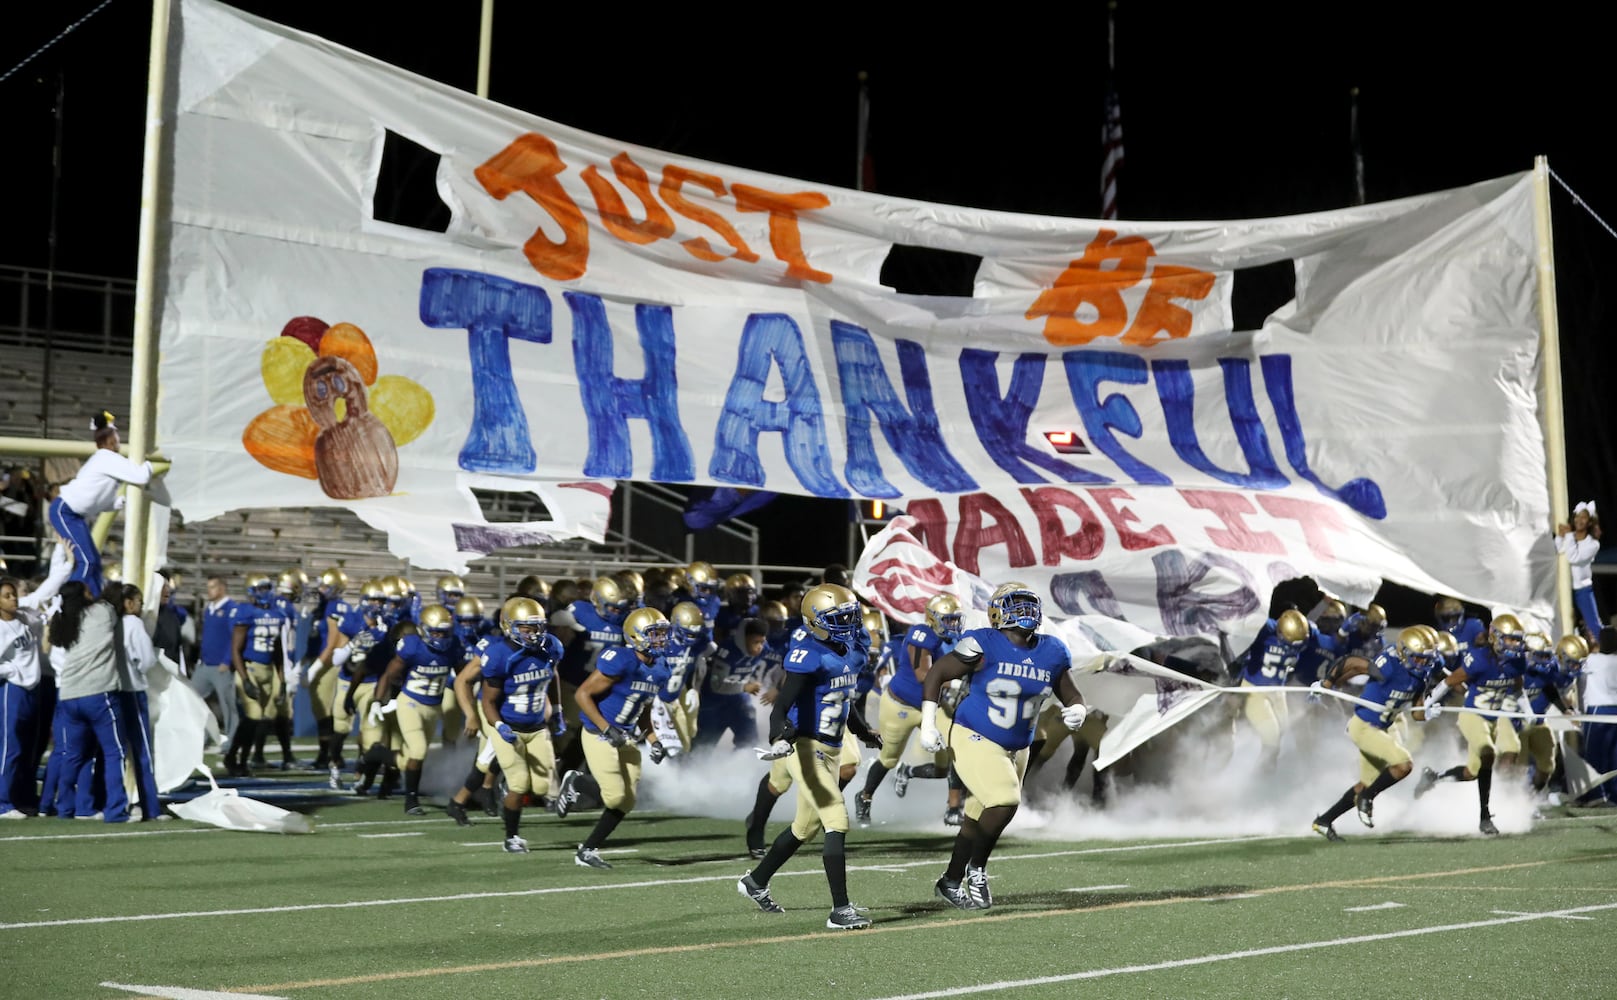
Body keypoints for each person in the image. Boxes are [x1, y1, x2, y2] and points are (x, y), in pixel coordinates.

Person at [918, 582, 1085, 911]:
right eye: (1015, 604)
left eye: (1028, 603)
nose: (1024, 611)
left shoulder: (1052, 650)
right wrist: (927, 722)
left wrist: (1079, 708)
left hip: (1017, 745)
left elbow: (1070, 693)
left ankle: (949, 882)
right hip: (973, 734)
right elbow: (936, 673)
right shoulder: (984, 643)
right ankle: (976, 870)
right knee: (1006, 800)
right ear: (997, 612)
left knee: (978, 814)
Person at [736, 583, 880, 930]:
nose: (848, 623)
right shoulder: (808, 654)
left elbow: (845, 701)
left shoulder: (852, 651)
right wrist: (779, 737)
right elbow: (782, 705)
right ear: (815, 620)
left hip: (831, 748)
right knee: (836, 820)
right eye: (838, 617)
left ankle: (754, 882)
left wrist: (863, 732)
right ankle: (840, 911)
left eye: (850, 615)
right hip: (805, 748)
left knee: (805, 827)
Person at [560, 607, 674, 870]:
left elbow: (644, 708)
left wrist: (654, 740)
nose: (660, 640)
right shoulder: (620, 659)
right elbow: (582, 696)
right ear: (635, 636)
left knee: (627, 801)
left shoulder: (660, 668)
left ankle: (587, 850)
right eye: (654, 634)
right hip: (600, 733)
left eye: (662, 634)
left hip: (626, 735)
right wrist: (605, 728)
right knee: (613, 797)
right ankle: (578, 782)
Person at [1309, 626, 1438, 840]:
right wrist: (1327, 683)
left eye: (1427, 659)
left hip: (1383, 727)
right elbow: (1350, 662)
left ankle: (1323, 821)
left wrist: (1428, 712)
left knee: (1365, 784)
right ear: (1403, 652)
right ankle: (1367, 798)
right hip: (1364, 726)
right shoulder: (1388, 665)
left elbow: (1417, 714)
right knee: (1403, 764)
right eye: (1418, 658)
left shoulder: (1421, 675)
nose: (1423, 664)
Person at [1413, 613, 1528, 834]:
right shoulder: (1480, 658)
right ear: (1495, 638)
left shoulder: (1517, 661)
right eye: (1510, 639)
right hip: (1472, 715)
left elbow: (1517, 687)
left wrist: (1528, 710)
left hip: (1495, 717)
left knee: (1473, 771)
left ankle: (1434, 777)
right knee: (1487, 752)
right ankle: (1485, 817)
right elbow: (1449, 682)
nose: (1515, 644)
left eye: (1517, 639)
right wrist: (1427, 703)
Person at [857, 593, 965, 826]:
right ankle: (864, 796)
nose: (953, 625)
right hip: (901, 705)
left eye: (955, 619)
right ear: (933, 618)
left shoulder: (955, 639)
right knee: (888, 758)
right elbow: (924, 675)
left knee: (953, 753)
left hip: (933, 704)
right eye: (948, 620)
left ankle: (953, 808)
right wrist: (957, 682)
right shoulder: (921, 634)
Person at [472, 597, 565, 850]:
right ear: (508, 626)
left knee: (544, 786)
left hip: (537, 729)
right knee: (519, 784)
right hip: (509, 727)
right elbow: (488, 701)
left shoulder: (551, 647)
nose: (534, 633)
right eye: (526, 627)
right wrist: (499, 727)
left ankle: (512, 801)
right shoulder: (498, 654)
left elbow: (552, 674)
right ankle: (511, 837)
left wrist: (556, 710)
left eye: (537, 627)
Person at [373, 604, 470, 815]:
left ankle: (379, 754)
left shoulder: (453, 645)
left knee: (414, 756)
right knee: (418, 750)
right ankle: (411, 801)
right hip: (410, 703)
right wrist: (377, 701)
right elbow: (390, 674)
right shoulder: (412, 645)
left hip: (433, 707)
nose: (439, 637)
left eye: (443, 632)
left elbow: (463, 678)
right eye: (435, 631)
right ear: (423, 629)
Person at [47, 412, 155, 597]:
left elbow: (97, 500)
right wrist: (153, 461)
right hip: (64, 510)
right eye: (117, 436)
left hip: (74, 513)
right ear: (112, 439)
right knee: (87, 562)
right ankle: (68, 601)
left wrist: (118, 502)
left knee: (94, 561)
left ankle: (96, 600)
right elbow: (141, 475)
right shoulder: (105, 457)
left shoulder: (103, 460)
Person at [46, 581, 129, 821]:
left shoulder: (68, 619)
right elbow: (111, 601)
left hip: (70, 694)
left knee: (74, 754)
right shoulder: (101, 611)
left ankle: (66, 807)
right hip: (99, 693)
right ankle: (115, 810)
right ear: (84, 594)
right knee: (115, 752)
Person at [0, 548, 71, 818]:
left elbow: (48, 588)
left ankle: (24, 797)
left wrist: (61, 557)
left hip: (32, 689)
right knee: (10, 747)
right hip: (12, 690)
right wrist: (12, 670)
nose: (13, 598)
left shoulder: (24, 616)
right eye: (6, 596)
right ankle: (3, 802)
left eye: (13, 594)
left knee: (31, 747)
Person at [225, 574, 292, 777]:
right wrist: (244, 679)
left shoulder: (278, 614)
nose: (265, 593)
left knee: (258, 720)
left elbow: (278, 651)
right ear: (251, 591)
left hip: (268, 669)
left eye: (266, 588)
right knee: (252, 717)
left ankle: (237, 758)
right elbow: (235, 649)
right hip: (249, 668)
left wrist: (281, 680)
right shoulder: (245, 613)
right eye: (260, 589)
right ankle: (237, 758)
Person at [109, 583, 164, 820]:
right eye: (138, 601)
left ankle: (109, 803)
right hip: (133, 690)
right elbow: (146, 659)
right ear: (129, 603)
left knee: (113, 752)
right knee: (142, 751)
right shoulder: (134, 624)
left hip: (111, 690)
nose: (141, 606)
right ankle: (150, 807)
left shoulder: (109, 622)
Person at [1237, 610, 1312, 762]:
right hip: (1255, 689)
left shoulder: (1301, 635)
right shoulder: (1265, 629)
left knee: (1283, 730)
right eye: (1287, 643)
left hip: (1278, 691)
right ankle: (1260, 776)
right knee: (1272, 738)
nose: (1291, 648)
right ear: (1279, 631)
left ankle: (1252, 758)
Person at [190, 576, 239, 755]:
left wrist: (227, 661)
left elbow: (235, 637)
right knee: (194, 700)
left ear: (221, 588)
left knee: (228, 705)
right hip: (205, 664)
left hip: (221, 666)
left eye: (212, 587)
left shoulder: (231, 609)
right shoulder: (209, 609)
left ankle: (232, 741)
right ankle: (201, 737)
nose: (208, 591)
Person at [1577, 627, 1617, 806]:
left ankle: (1596, 796)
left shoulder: (1592, 660)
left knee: (1594, 756)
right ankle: (1613, 795)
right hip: (1615, 710)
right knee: (1613, 756)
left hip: (1598, 711)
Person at [1557, 502, 1603, 639]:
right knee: (1564, 621)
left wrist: (1569, 535)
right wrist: (1560, 536)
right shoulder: (1570, 537)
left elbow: (1573, 557)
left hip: (1582, 589)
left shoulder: (1593, 544)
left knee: (1593, 623)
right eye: (1577, 516)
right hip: (1564, 587)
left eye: (1584, 518)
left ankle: (1605, 649)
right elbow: (1560, 550)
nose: (1579, 520)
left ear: (1589, 522)